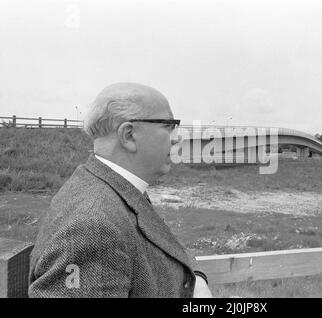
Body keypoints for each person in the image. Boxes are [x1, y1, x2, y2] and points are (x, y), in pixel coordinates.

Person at [28, 82, 212, 298]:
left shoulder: (114, 188)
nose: (177, 137)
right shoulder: (93, 226)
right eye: (169, 125)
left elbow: (165, 246)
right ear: (129, 135)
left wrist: (196, 279)